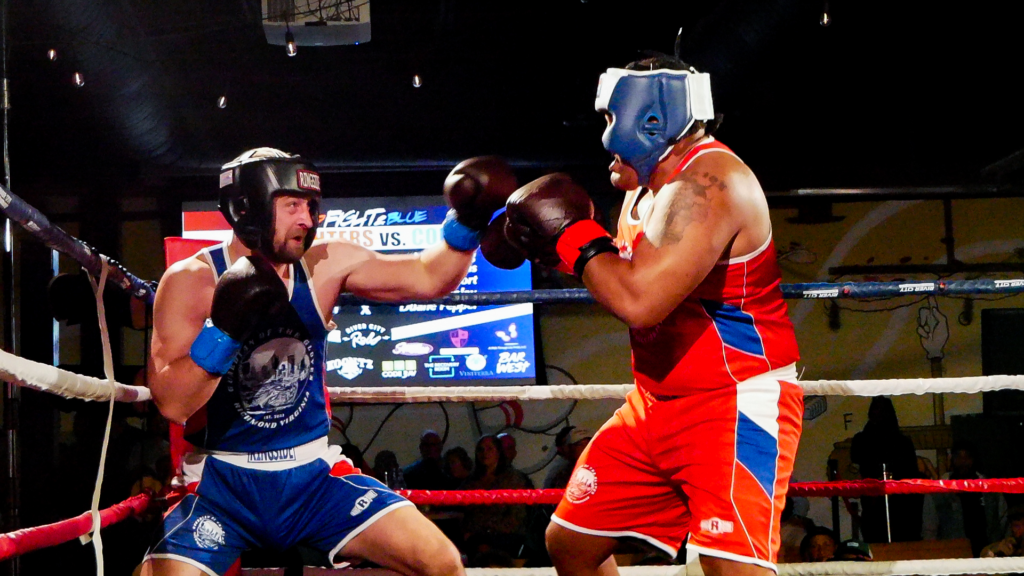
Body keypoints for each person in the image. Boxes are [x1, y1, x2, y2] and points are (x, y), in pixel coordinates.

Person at [487, 55, 803, 576]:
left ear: (652, 120)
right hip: (655, 405)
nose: (605, 135)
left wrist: (571, 234)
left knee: (730, 570)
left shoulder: (711, 183)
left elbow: (639, 301)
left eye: (612, 118)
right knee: (571, 544)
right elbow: (626, 274)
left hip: (730, 404)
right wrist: (557, 251)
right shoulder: (644, 189)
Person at [141, 148, 517, 576]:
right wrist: (224, 331)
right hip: (222, 483)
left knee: (441, 563)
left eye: (311, 206)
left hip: (314, 479)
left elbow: (428, 276)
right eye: (292, 205)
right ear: (244, 207)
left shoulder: (324, 263)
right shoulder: (192, 280)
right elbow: (172, 403)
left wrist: (468, 222)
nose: (307, 219)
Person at [850, 397, 923, 543]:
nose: (878, 415)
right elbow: (856, 460)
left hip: (900, 503)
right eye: (875, 410)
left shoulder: (902, 442)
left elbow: (910, 472)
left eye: (882, 411)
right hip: (873, 500)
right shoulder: (862, 439)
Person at [922, 443, 1008, 556]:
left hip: (989, 555)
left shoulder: (991, 490)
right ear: (952, 459)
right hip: (953, 556)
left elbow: (1004, 522)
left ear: (974, 459)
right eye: (958, 457)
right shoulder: (938, 492)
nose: (963, 461)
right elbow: (929, 530)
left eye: (967, 457)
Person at [459, 435, 532, 560]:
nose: (484, 453)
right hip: (476, 534)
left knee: (484, 549)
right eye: (480, 449)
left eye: (489, 449)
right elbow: (463, 508)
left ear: (498, 452)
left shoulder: (513, 479)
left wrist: (488, 532)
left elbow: (516, 517)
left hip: (506, 535)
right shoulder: (472, 480)